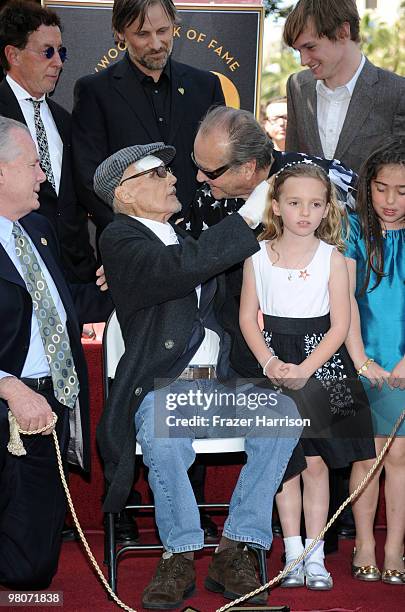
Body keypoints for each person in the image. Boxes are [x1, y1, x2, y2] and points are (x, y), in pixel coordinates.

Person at [94, 142, 301, 609]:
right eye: (155, 172)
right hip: (164, 389)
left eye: (169, 169)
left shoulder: (185, 238)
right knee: (163, 435)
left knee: (284, 414)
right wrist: (245, 220)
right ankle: (180, 551)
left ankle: (236, 547)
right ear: (124, 195)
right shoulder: (120, 239)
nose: (172, 178)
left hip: (219, 386)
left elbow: (221, 276)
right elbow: (175, 271)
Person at [239, 162, 375, 590]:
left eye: (315, 204)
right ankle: (292, 552)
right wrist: (270, 364)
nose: (305, 212)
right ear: (275, 206)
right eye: (295, 203)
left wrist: (305, 369)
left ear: (326, 209)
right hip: (276, 363)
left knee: (317, 464)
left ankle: (316, 554)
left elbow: (340, 324)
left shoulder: (333, 258)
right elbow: (247, 319)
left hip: (322, 364)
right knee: (286, 464)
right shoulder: (257, 256)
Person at [0, 117, 113, 590]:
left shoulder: (37, 229)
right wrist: (9, 387)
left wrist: (122, 285)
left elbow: (65, 304)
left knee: (33, 573)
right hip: (10, 404)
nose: (43, 176)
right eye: (33, 165)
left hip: (50, 407)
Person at [71, 0, 224, 233]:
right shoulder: (95, 92)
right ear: (120, 33)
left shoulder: (206, 86)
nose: (156, 44)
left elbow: (224, 163)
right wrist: (130, 235)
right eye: (142, 34)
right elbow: (89, 180)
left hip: (202, 241)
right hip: (133, 248)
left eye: (163, 31)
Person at [0, 0, 97, 284]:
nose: (58, 62)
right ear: (13, 55)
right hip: (17, 274)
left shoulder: (66, 120)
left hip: (77, 275)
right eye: (47, 52)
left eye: (62, 51)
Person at [344, 138, 405, 585]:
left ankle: (395, 548)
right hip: (361, 358)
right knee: (368, 457)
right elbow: (342, 300)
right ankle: (364, 542)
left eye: (402, 191)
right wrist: (362, 360)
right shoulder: (352, 233)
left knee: (401, 456)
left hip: (403, 361)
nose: (389, 200)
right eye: (381, 188)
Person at [184, 106, 357, 239]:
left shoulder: (326, 179)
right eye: (195, 164)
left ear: (248, 168)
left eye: (210, 172)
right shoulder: (207, 197)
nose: (199, 177)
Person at [283, 0, 405, 173]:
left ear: (343, 32)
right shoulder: (297, 87)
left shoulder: (397, 92)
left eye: (310, 47)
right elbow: (292, 165)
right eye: (298, 51)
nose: (303, 61)